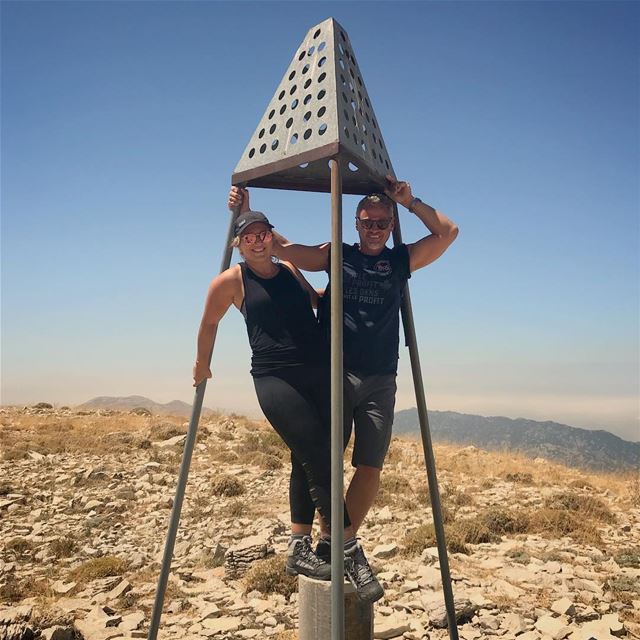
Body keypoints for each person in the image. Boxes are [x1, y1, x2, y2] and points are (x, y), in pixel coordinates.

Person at [228, 176, 458, 570]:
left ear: (389, 225)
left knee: (370, 465)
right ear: (355, 223)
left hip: (381, 378)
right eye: (366, 221)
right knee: (321, 458)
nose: (373, 229)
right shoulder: (338, 255)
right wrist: (246, 215)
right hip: (332, 373)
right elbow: (284, 250)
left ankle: (335, 543)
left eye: (381, 223)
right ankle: (327, 546)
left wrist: (409, 201)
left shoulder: (400, 260)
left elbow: (447, 231)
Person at [193, 206, 384, 603]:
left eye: (264, 233)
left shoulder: (292, 271)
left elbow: (317, 301)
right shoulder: (230, 281)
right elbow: (210, 323)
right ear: (239, 244)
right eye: (249, 235)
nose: (258, 240)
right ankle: (349, 550)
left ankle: (299, 547)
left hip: (317, 373)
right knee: (319, 454)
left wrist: (353, 297)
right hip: (275, 378)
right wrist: (202, 364)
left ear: (272, 238)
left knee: (308, 455)